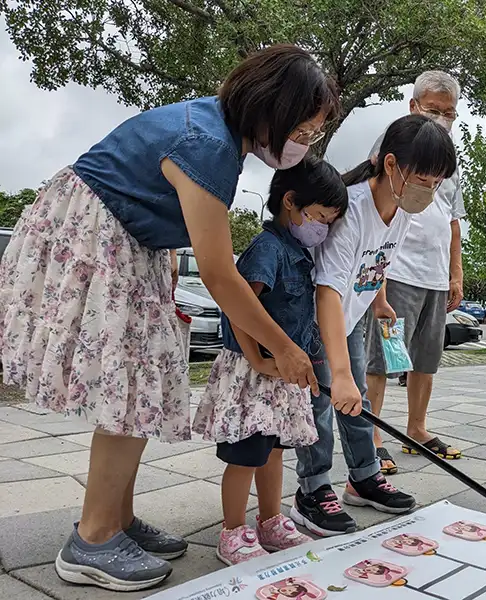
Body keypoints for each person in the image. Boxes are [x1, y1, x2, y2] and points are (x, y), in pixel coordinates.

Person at [0, 45, 337, 591]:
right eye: (303, 128)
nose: (305, 141)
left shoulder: (217, 133)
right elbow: (221, 275)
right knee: (128, 389)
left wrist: (270, 347)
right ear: (271, 110)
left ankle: (119, 518)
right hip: (103, 237)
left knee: (139, 384)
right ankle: (93, 537)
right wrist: (288, 349)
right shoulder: (208, 145)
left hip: (132, 243)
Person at [290, 114, 457, 536]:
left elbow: (377, 261)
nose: (429, 190)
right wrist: (339, 372)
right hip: (316, 323)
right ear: (390, 165)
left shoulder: (401, 211)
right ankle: (311, 491)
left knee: (358, 401)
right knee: (324, 404)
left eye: (437, 183)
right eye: (422, 178)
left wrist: (379, 301)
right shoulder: (350, 209)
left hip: (352, 315)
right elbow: (326, 291)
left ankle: (363, 479)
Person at [192, 158, 348, 565]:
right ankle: (232, 531)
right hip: (253, 372)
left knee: (276, 449)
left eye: (330, 222)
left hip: (284, 372)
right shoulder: (268, 249)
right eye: (319, 217)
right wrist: (256, 359)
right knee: (246, 453)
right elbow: (235, 305)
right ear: (291, 203)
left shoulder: (299, 251)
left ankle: (270, 519)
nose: (323, 229)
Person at [364, 71, 466, 473]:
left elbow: (454, 219)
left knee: (427, 358)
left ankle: (417, 429)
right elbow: (375, 209)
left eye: (449, 113)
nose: (442, 118)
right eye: (433, 110)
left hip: (435, 277)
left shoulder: (449, 157)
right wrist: (379, 279)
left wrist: (455, 273)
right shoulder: (396, 142)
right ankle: (371, 435)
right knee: (381, 359)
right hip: (398, 271)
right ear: (413, 106)